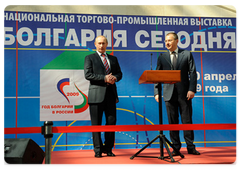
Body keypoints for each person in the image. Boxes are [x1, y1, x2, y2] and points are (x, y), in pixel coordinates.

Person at [154, 32, 200, 155]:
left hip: (184, 93)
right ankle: (175, 147)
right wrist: (156, 92)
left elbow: (193, 73)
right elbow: (157, 75)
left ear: (176, 41)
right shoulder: (162, 57)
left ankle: (190, 146)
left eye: (169, 40)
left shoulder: (186, 54)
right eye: (165, 41)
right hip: (168, 93)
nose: (167, 43)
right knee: (172, 121)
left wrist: (192, 89)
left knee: (187, 120)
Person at [84, 35, 122, 158]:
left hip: (111, 95)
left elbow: (119, 73)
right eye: (99, 43)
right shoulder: (89, 58)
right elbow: (88, 75)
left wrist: (114, 78)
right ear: (95, 44)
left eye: (104, 43)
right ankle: (98, 150)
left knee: (111, 123)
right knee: (96, 124)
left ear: (107, 44)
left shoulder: (114, 59)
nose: (101, 45)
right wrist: (104, 78)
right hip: (96, 96)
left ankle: (109, 148)